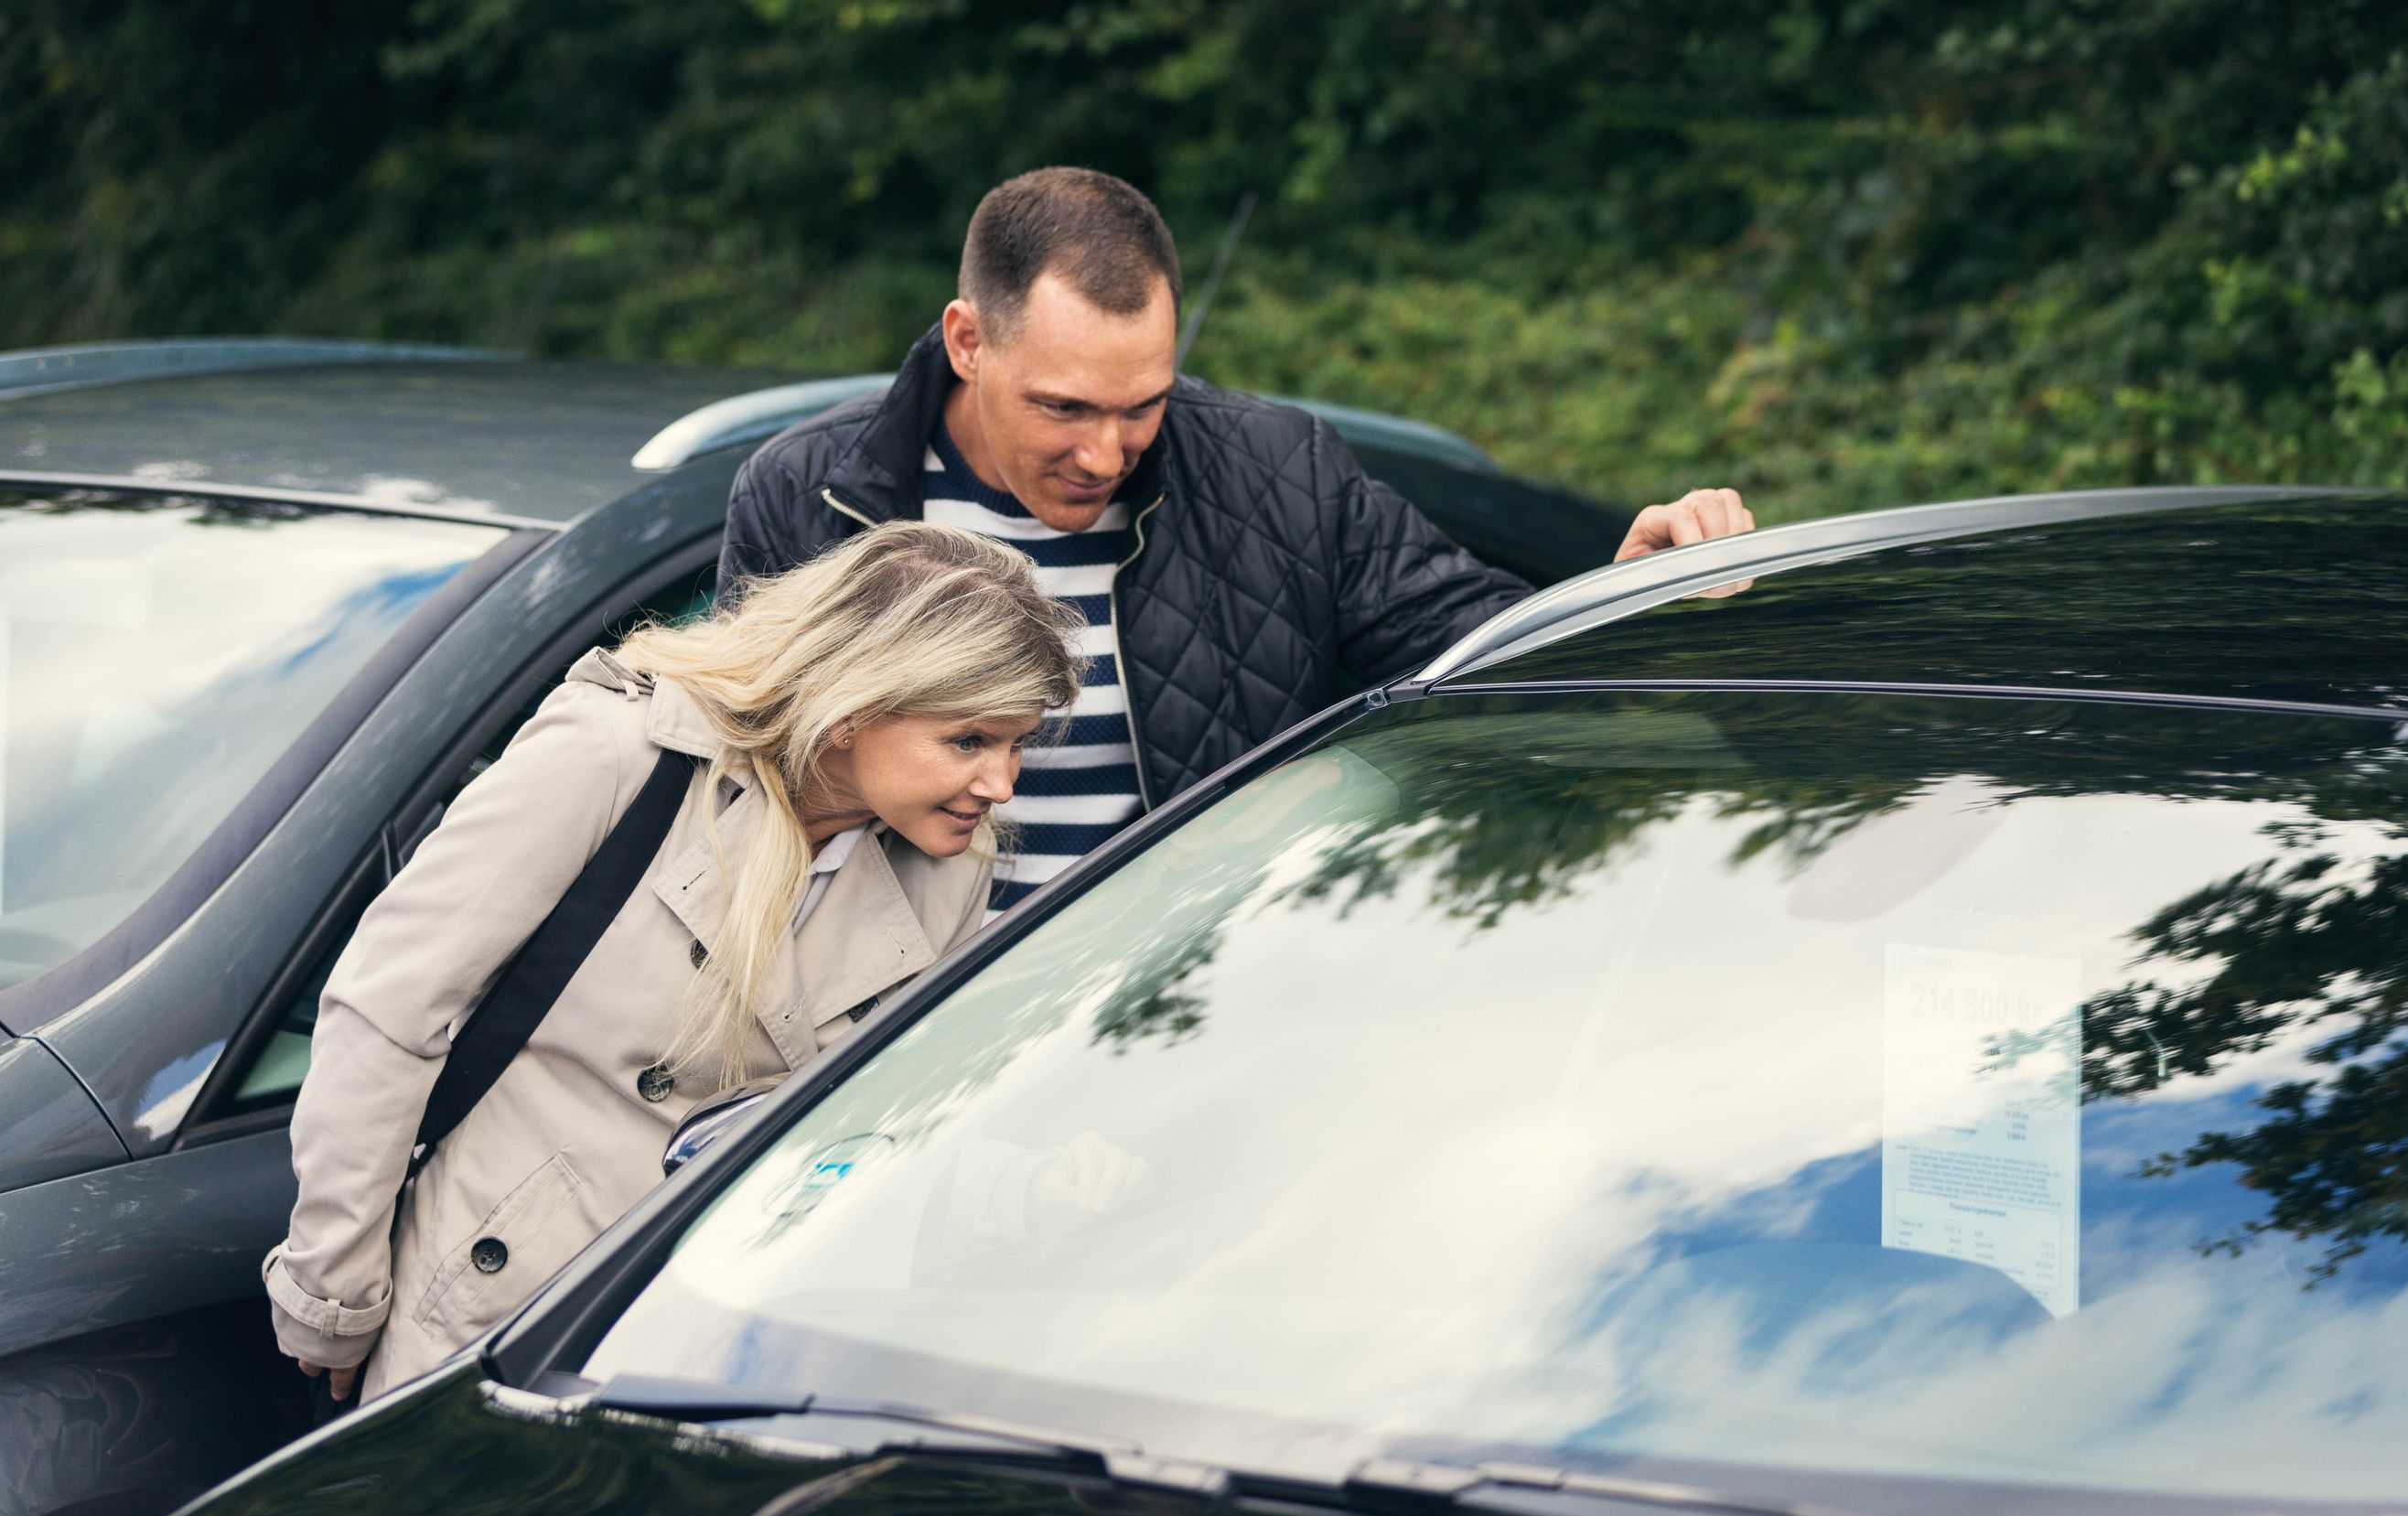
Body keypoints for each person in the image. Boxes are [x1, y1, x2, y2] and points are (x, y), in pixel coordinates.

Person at [720, 166, 1756, 912]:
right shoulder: (809, 496)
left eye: (1143, 407)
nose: (1106, 452)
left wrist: (1619, 602)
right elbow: (734, 797)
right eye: (1065, 408)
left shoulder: (1277, 471)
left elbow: (1471, 651)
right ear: (966, 340)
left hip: (1178, 1027)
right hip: (874, 1053)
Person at [264, 521, 1085, 1401]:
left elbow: (888, 1127)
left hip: (735, 1348)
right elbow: (390, 1009)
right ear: (854, 709)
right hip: (497, 1318)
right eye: (969, 740)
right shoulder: (619, 752)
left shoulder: (950, 867)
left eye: (1018, 743)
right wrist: (333, 1295)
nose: (1003, 784)